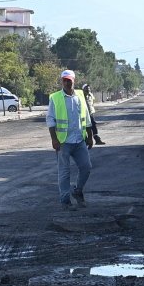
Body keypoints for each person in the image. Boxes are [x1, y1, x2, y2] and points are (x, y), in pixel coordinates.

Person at [47, 70, 94, 210]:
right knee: (64, 172)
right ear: (62, 81)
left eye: (69, 80)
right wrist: (54, 139)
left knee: (86, 167)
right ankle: (65, 201)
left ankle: (78, 191)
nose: (67, 83)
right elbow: (50, 119)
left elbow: (86, 116)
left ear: (74, 80)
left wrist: (90, 136)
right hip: (63, 142)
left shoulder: (80, 95)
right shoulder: (55, 98)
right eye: (64, 80)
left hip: (79, 140)